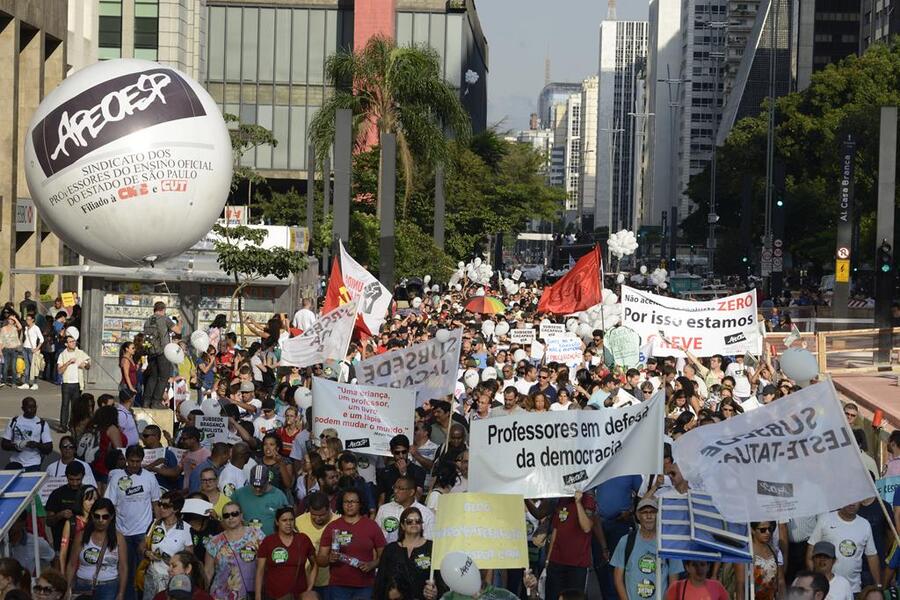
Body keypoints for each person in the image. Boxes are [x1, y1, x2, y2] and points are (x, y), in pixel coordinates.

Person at [105, 445, 162, 600]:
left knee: (145, 571)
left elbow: (156, 504)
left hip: (144, 533)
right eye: (132, 461)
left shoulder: (150, 477)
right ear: (126, 460)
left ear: (142, 460)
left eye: (138, 461)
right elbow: (110, 505)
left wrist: (157, 528)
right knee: (127, 572)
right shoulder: (116, 478)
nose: (135, 464)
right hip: (122, 533)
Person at [317, 488, 386, 599]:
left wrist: (372, 564)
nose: (349, 505)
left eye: (353, 502)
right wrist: (329, 558)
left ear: (360, 504)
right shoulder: (332, 527)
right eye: (346, 502)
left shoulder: (372, 526)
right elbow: (320, 559)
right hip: (338, 586)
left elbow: (385, 555)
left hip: (365, 586)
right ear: (341, 503)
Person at [611, 497, 682, 600]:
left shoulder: (668, 543)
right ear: (638, 516)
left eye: (653, 512)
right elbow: (618, 578)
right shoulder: (626, 541)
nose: (649, 516)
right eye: (644, 512)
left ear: (658, 515)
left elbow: (674, 581)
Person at [806, 502, 880, 593]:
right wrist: (815, 580)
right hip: (826, 588)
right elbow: (811, 549)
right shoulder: (825, 519)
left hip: (853, 589)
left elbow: (872, 556)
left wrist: (878, 584)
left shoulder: (865, 525)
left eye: (856, 500)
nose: (852, 504)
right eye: (849, 500)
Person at [65, 498, 128, 600]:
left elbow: (123, 567)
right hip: (83, 585)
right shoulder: (81, 536)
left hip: (109, 586)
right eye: (97, 516)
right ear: (92, 516)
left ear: (111, 517)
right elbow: (72, 564)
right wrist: (67, 588)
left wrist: (121, 593)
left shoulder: (119, 538)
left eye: (105, 517)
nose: (101, 520)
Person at [374, 506, 440, 600]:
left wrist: (435, 592)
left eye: (418, 521)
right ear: (402, 525)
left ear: (422, 525)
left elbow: (440, 579)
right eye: (409, 521)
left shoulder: (432, 547)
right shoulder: (391, 549)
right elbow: (380, 581)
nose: (414, 523)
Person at [203, 501, 265, 600]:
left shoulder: (256, 534)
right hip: (220, 595)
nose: (230, 517)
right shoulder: (214, 542)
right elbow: (208, 571)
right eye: (226, 515)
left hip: (251, 594)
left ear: (241, 515)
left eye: (234, 514)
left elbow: (264, 564)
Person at [254, 506, 317, 600]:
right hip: (273, 596)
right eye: (284, 520)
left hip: (299, 595)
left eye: (291, 520)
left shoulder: (303, 539)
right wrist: (258, 596)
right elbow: (260, 571)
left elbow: (315, 564)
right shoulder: (268, 541)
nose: (288, 523)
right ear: (277, 522)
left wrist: (309, 589)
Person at [141, 492, 193, 600]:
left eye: (165, 506)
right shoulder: (155, 524)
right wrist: (147, 553)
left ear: (176, 509)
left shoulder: (186, 529)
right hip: (152, 575)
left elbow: (189, 557)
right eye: (160, 504)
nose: (161, 508)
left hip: (174, 579)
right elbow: (141, 546)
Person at [231, 464, 290, 535]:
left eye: (261, 486)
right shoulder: (238, 494)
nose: (258, 489)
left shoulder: (279, 496)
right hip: (245, 541)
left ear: (268, 481)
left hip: (271, 541)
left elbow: (287, 520)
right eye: (255, 486)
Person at [374, 475, 435, 544]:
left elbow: (428, 541)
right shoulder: (384, 509)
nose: (395, 491)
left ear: (411, 492)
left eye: (400, 488)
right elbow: (375, 536)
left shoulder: (426, 514)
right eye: (395, 487)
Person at [143, 302, 181, 409]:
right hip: (163, 352)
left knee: (153, 376)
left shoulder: (148, 320)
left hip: (151, 352)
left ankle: (146, 401)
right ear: (163, 310)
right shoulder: (164, 319)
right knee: (164, 377)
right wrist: (179, 320)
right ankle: (156, 402)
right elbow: (178, 330)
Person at [45, 461, 88, 553]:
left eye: (78, 479)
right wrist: (60, 515)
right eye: (71, 479)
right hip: (62, 545)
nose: (75, 483)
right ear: (66, 476)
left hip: (84, 544)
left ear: (83, 476)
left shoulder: (89, 493)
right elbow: (48, 521)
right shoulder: (57, 494)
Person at [1, 396, 52, 470]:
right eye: (29, 407)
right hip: (15, 463)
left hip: (33, 464)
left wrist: (36, 445)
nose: (32, 410)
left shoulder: (42, 424)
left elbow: (49, 447)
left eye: (34, 407)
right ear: (22, 408)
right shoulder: (14, 421)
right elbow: (4, 444)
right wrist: (16, 446)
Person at [59, 485, 98, 577]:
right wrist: (63, 575)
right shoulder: (71, 523)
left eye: (95, 499)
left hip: (99, 572)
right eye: (89, 499)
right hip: (76, 573)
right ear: (81, 501)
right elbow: (63, 553)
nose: (92, 503)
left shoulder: (101, 521)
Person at [376, 435, 426, 505]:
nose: (401, 456)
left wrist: (404, 474)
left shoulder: (418, 471)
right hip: (390, 511)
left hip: (409, 511)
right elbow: (382, 499)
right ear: (392, 452)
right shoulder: (384, 472)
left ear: (408, 450)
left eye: (404, 452)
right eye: (397, 453)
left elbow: (417, 497)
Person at [58, 335, 91, 433]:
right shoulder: (62, 355)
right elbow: (59, 371)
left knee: (75, 406)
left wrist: (85, 364)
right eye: (71, 342)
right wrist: (68, 362)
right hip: (66, 383)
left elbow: (88, 364)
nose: (73, 343)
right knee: (65, 405)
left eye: (74, 341)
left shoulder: (80, 353)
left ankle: (73, 425)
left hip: (77, 383)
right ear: (66, 344)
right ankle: (63, 426)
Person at [664, 560, 729, 600]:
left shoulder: (717, 587)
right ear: (687, 567)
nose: (699, 569)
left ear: (708, 567)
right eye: (694, 565)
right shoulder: (676, 588)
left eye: (702, 564)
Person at [20, 313, 43, 390]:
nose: (27, 321)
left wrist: (36, 349)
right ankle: (26, 383)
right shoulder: (26, 328)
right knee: (27, 367)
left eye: (29, 319)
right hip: (25, 348)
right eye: (26, 319)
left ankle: (35, 383)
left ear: (33, 320)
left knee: (34, 367)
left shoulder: (36, 328)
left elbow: (41, 339)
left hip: (31, 349)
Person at [0, 314, 23, 388]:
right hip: (5, 349)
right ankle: (4, 382)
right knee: (5, 366)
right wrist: (0, 350)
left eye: (12, 320)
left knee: (13, 366)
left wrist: (15, 318)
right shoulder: (3, 329)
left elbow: (20, 327)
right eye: (10, 319)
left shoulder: (15, 328)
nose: (11, 320)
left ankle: (13, 383)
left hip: (14, 349)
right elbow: (1, 340)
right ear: (7, 320)